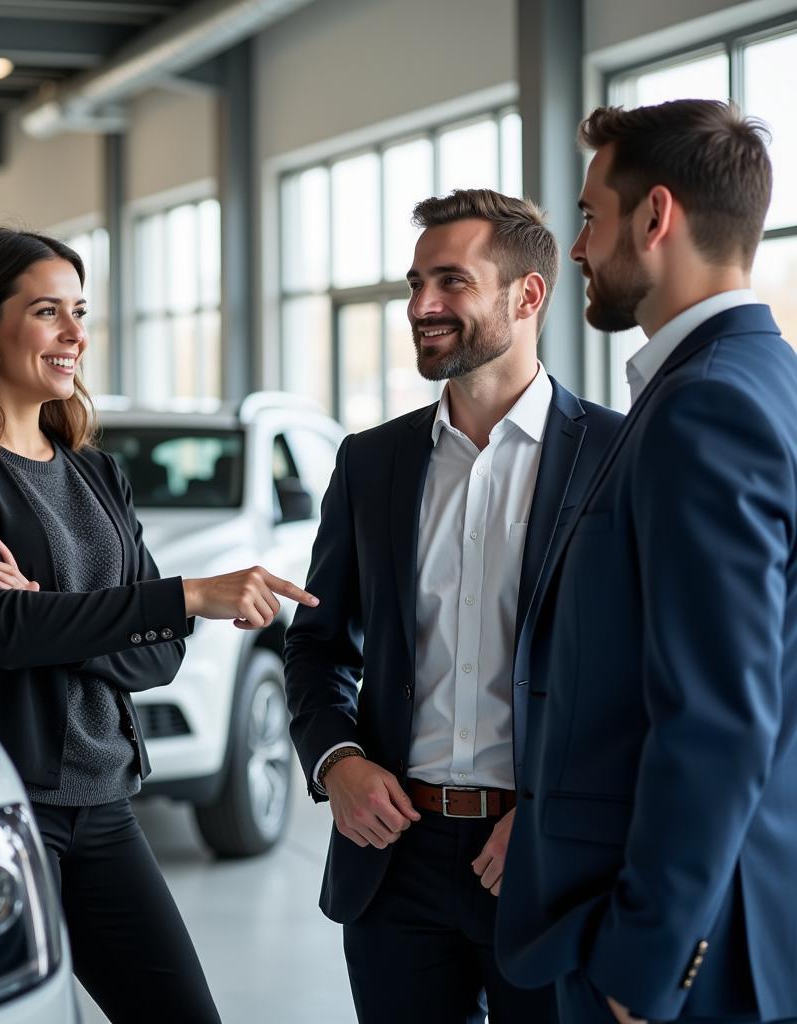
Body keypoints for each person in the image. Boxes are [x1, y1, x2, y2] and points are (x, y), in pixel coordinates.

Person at [0, 227, 317, 1024]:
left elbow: (160, 661)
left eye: (80, 312)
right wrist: (167, 599)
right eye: (49, 312)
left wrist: (48, 612)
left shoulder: (92, 469)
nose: (77, 335)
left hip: (105, 802)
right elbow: (1, 630)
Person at [283, 189, 623, 1024]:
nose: (421, 308)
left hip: (546, 858)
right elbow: (319, 645)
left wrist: (554, 816)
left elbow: (642, 678)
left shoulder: (621, 455)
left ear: (527, 295)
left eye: (450, 283)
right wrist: (339, 762)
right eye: (413, 285)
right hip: (393, 858)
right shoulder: (371, 463)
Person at [495, 100, 797, 1024]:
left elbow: (717, 716)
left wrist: (648, 959)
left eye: (590, 216)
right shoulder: (760, 377)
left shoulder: (705, 407)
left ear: (655, 217)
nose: (578, 248)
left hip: (690, 955)